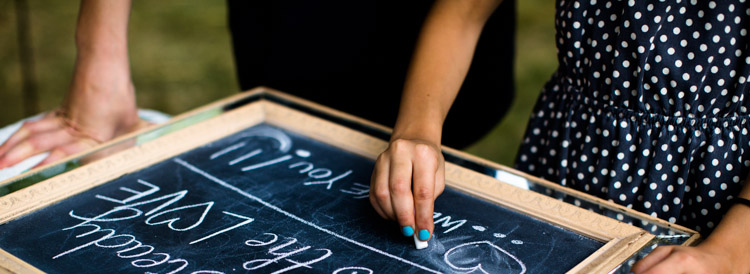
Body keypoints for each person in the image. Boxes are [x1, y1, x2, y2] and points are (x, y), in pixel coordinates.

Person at [369, 0, 750, 274]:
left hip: (720, 204)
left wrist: (729, 257)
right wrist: (418, 128)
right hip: (570, 155)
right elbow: (464, 11)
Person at [0, 0, 516, 169]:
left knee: (425, 173)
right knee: (294, 142)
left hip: (440, 23)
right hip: (290, 30)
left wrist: (422, 126)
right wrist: (99, 63)